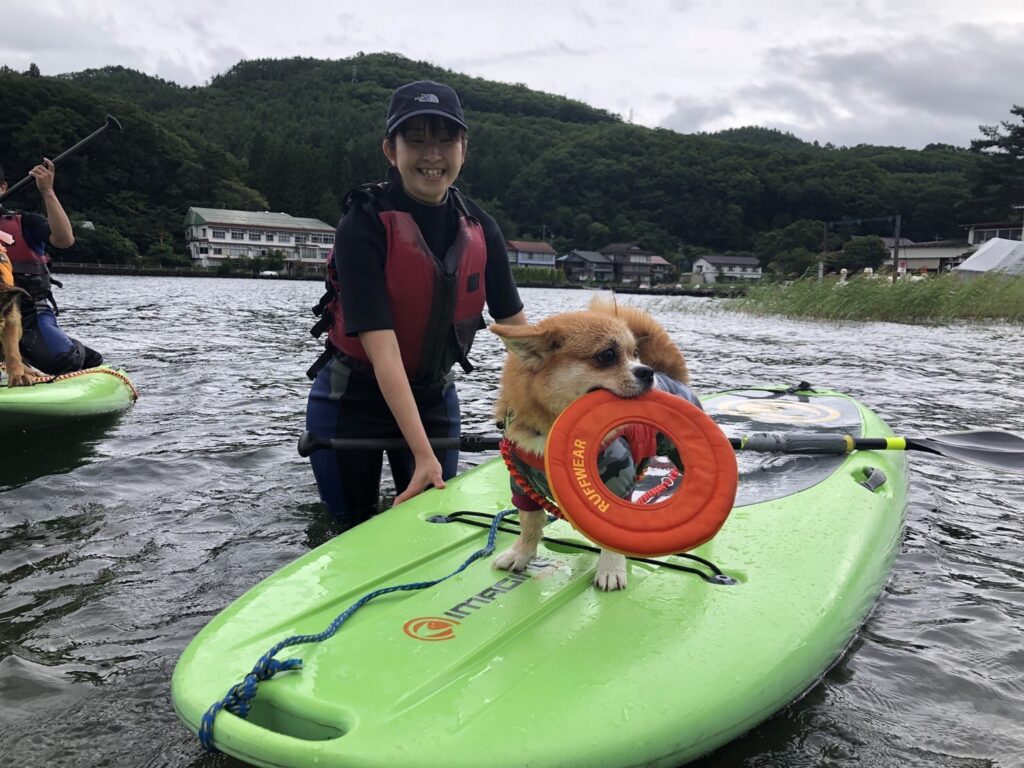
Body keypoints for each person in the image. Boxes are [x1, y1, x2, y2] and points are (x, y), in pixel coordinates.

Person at [306, 80, 527, 526]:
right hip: (352, 402)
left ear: (464, 149)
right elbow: (382, 352)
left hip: (432, 396)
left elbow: (523, 339)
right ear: (391, 149)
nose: (433, 155)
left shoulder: (481, 227)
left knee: (431, 526)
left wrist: (552, 417)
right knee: (347, 528)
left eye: (446, 140)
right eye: (417, 139)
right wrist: (423, 455)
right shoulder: (363, 223)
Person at [0, 159, 103, 375]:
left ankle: (81, 354)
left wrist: (47, 191)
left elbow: (64, 239)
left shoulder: (26, 222)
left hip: (28, 312)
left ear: (3, 188)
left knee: (63, 361)